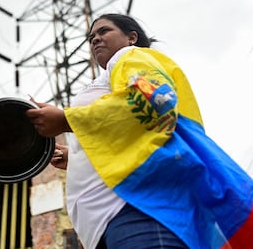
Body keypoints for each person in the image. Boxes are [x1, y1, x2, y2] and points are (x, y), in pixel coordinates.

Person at [26, 14, 253, 249]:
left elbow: (153, 102)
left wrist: (65, 120)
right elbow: (133, 137)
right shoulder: (112, 75)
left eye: (104, 31)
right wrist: (76, 159)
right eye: (91, 37)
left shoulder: (129, 56)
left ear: (131, 37)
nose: (95, 39)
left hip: (140, 210)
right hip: (113, 220)